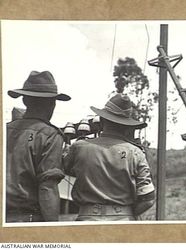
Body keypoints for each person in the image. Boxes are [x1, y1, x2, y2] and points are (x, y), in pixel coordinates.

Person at [63, 93, 155, 221]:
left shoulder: (79, 147)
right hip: (124, 221)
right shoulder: (136, 152)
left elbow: (62, 169)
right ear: (127, 126)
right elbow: (148, 199)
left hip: (87, 219)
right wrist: (127, 213)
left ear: (101, 121)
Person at [6, 71, 71, 222]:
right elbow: (47, 188)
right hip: (26, 219)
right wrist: (51, 231)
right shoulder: (50, 135)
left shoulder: (5, 130)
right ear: (52, 104)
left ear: (24, 101)